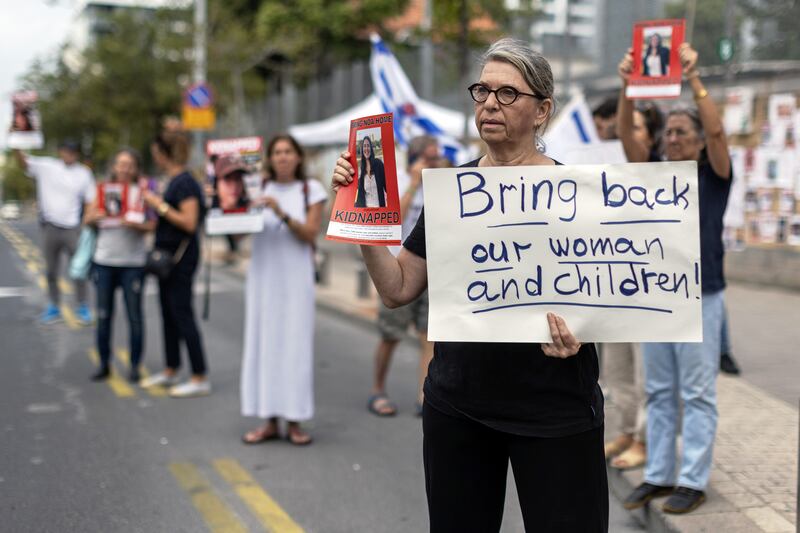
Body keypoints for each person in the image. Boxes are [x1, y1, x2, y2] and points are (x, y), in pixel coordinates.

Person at [332, 38, 607, 532]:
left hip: (555, 411)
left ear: (542, 111)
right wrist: (360, 215)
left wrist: (585, 328)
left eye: (507, 94)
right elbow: (397, 288)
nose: (489, 104)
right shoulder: (451, 192)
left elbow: (607, 297)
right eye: (482, 91)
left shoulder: (579, 195)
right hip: (459, 408)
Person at [619, 43, 732, 514]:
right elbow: (626, 134)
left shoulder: (714, 176)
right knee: (660, 391)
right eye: (671, 132)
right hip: (661, 300)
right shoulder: (656, 174)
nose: (675, 139)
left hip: (702, 297)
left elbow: (720, 128)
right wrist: (628, 87)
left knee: (698, 393)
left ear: (702, 141)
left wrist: (694, 78)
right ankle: (659, 474)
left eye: (684, 132)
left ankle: (692, 479)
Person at [239, 134, 326, 446]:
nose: (283, 157)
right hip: (263, 279)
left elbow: (310, 233)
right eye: (277, 152)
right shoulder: (255, 188)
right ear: (270, 157)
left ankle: (295, 420)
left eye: (288, 152)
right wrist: (222, 204)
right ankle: (269, 420)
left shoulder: (310, 190)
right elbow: (236, 231)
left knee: (295, 347)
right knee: (264, 344)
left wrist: (281, 212)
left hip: (296, 281)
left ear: (298, 157)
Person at [367, 135, 439, 418]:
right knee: (391, 335)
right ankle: (377, 388)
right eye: (430, 157)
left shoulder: (439, 183)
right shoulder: (397, 180)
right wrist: (412, 183)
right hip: (399, 268)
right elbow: (392, 219)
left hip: (431, 271)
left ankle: (424, 396)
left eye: (437, 157)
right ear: (415, 158)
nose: (435, 162)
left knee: (429, 336)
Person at [140, 130, 210, 398]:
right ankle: (171, 369)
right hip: (167, 259)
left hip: (181, 259)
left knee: (182, 314)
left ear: (162, 153)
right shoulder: (172, 181)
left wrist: (159, 205)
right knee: (167, 313)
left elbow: (189, 222)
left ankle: (199, 374)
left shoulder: (185, 183)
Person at [84, 149, 155, 383]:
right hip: (104, 262)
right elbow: (86, 219)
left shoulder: (143, 192)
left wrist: (136, 225)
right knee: (104, 316)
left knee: (135, 317)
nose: (125, 169)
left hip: (133, 263)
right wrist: (96, 217)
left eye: (130, 165)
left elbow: (153, 224)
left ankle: (135, 365)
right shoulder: (102, 191)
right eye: (121, 164)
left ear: (136, 169)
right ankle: (103, 363)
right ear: (114, 166)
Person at [13, 140, 95, 325]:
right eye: (66, 150)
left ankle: (82, 306)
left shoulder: (84, 173)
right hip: (50, 226)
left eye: (73, 151)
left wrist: (86, 222)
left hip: (73, 228)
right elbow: (23, 162)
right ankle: (54, 306)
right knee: (51, 270)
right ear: (60, 151)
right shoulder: (47, 166)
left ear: (77, 154)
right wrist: (16, 142)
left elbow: (91, 200)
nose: (69, 154)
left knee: (78, 269)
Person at [354, 136, 387, 208]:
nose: (366, 148)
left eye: (368, 146)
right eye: (364, 146)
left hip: (380, 210)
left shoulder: (378, 164)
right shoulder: (362, 170)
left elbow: (387, 186)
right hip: (367, 211)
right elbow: (360, 192)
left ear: (371, 148)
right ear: (362, 150)